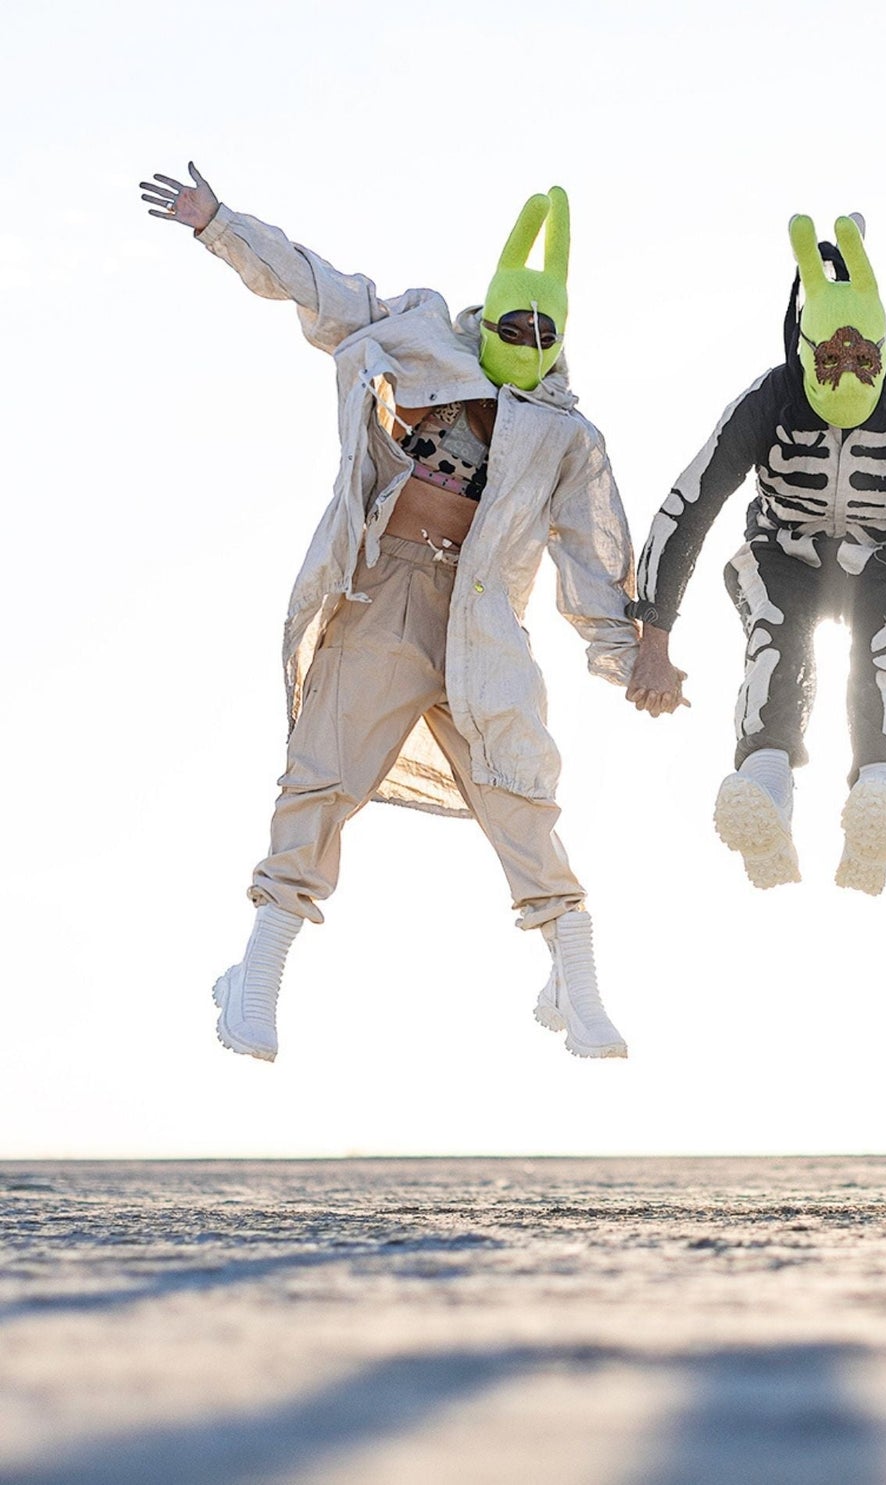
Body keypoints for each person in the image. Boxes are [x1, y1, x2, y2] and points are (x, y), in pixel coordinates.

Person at [139, 164, 637, 1059]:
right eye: (513, 319)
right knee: (322, 774)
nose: (524, 335)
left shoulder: (566, 434)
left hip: (480, 624)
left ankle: (573, 971)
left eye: (542, 328)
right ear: (491, 311)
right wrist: (218, 225)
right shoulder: (415, 333)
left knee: (518, 787)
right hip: (384, 588)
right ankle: (254, 979)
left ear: (560, 335)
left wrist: (624, 655)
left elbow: (594, 557)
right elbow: (317, 286)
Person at [624, 214, 886, 895]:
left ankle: (881, 790)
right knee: (777, 637)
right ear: (803, 351)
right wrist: (654, 633)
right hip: (786, 552)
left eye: (864, 360)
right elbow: (692, 500)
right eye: (830, 359)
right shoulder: (770, 397)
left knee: (885, 648)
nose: (848, 374)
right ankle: (765, 789)